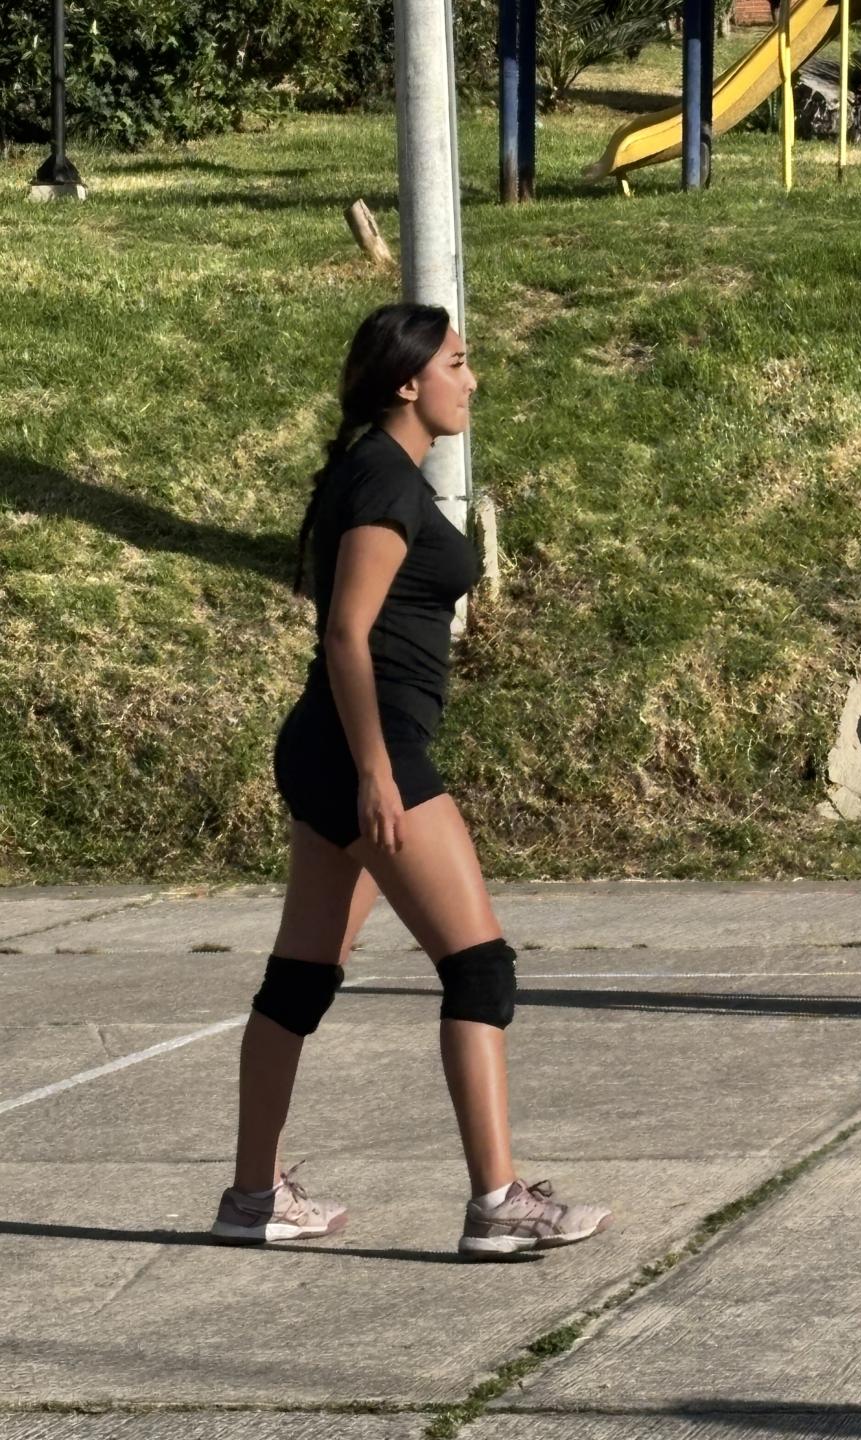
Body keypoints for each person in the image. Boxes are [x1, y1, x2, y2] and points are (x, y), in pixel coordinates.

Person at [209, 302, 613, 1258]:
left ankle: (253, 1197)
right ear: (408, 381)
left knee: (300, 980)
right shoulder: (385, 480)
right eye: (457, 364)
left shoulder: (376, 470)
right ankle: (497, 1203)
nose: (471, 381)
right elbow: (346, 633)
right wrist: (378, 774)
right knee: (478, 968)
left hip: (335, 749)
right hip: (365, 749)